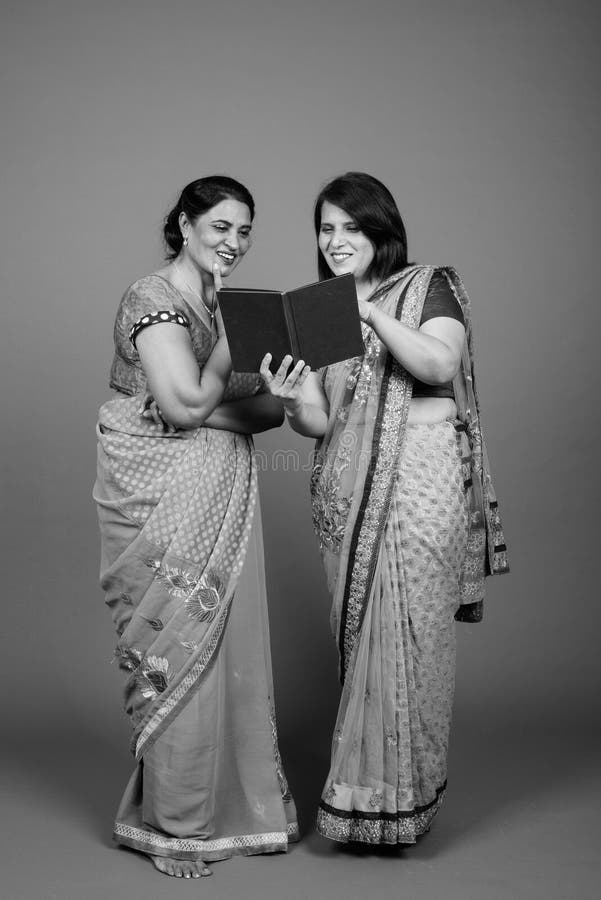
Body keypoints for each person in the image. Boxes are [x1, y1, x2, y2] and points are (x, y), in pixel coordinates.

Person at [260, 172, 508, 846]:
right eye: (326, 228)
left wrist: (368, 312)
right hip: (347, 493)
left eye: (350, 227)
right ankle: (363, 803)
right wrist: (288, 396)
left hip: (421, 484)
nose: (336, 241)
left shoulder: (427, 285)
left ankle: (407, 800)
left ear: (381, 230)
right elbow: (316, 419)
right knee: (366, 647)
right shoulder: (316, 308)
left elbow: (436, 364)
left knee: (413, 641)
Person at [93, 176, 298, 878]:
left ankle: (226, 810)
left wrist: (187, 404)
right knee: (176, 648)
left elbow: (268, 413)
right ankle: (177, 825)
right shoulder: (153, 299)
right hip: (158, 497)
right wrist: (206, 381)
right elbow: (181, 410)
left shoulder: (227, 307)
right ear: (185, 224)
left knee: (219, 650)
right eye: (221, 228)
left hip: (219, 496)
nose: (234, 243)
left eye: (244, 232)